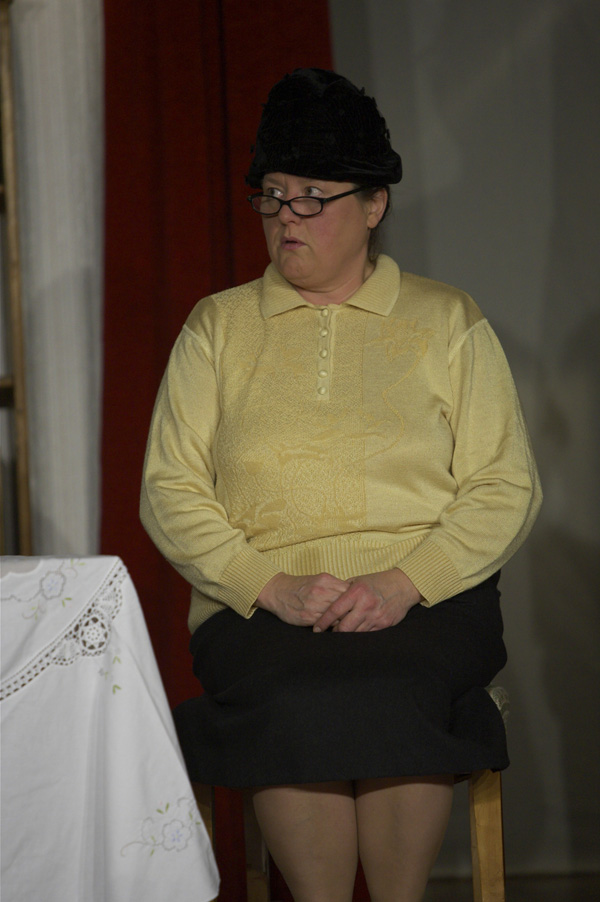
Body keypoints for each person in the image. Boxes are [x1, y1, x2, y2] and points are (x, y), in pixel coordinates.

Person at [141, 68, 542, 902]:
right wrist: (270, 585)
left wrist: (403, 583)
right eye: (272, 196)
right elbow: (169, 491)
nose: (286, 217)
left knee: (395, 685)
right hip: (259, 604)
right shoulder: (217, 327)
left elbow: (505, 485)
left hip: (427, 598)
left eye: (312, 197)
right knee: (294, 693)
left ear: (374, 205)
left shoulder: (447, 319)